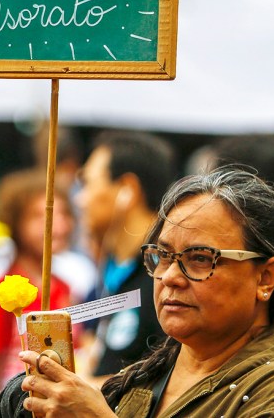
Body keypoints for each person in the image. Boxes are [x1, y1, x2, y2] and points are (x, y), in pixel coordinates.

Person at [0, 167, 274, 417]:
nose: (168, 277)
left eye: (199, 259)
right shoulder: (148, 379)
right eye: (162, 256)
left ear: (266, 278)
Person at [0, 168, 75, 418]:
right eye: (41, 216)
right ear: (14, 222)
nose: (60, 225)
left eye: (65, 214)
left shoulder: (64, 288)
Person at [74, 131, 174, 382]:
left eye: (87, 183)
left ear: (127, 189)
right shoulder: (113, 270)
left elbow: (165, 384)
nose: (79, 199)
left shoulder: (168, 276)